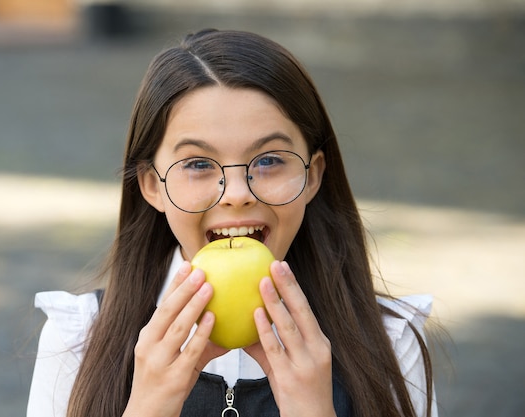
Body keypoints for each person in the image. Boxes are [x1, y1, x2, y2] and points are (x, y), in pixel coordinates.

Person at [26, 29, 438, 417]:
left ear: (312, 176)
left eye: (270, 160)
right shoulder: (79, 340)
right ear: (152, 185)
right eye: (199, 164)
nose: (236, 193)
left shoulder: (389, 344)